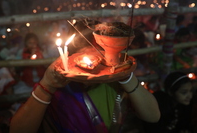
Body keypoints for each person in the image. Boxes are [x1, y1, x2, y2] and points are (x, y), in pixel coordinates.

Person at [9, 19, 160, 133]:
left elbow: (153, 116)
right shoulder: (58, 81)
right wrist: (47, 86)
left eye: (99, 50)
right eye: (84, 53)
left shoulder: (115, 78)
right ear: (71, 55)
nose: (92, 62)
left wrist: (126, 77)